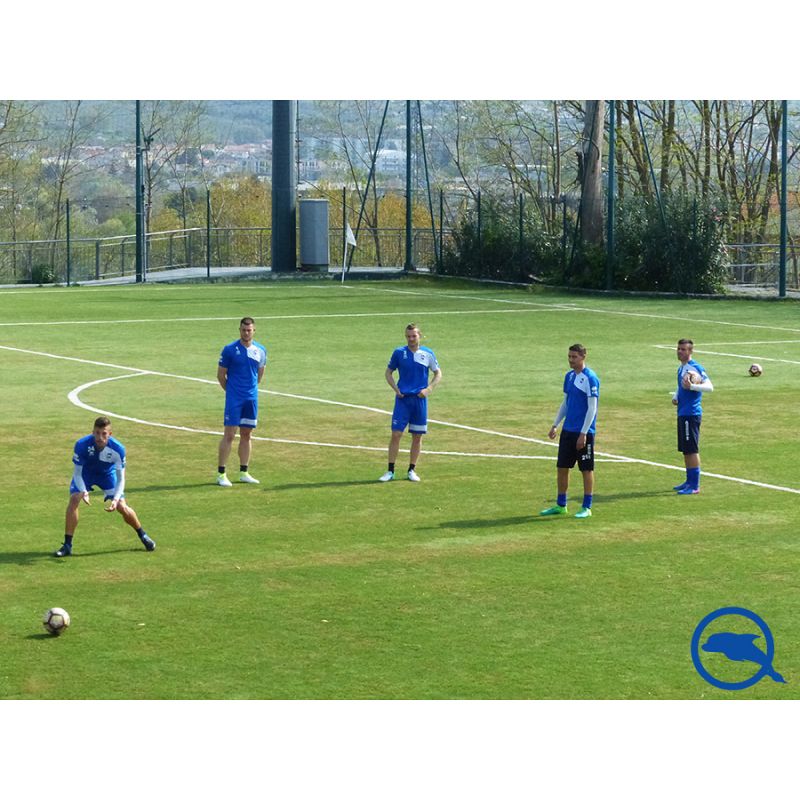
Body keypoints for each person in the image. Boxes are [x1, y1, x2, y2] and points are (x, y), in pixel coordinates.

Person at [53, 416, 155, 557]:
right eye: (97, 433)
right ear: (92, 432)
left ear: (110, 434)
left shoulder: (118, 449)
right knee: (74, 499)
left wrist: (116, 499)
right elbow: (77, 474)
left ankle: (143, 535)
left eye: (104, 433)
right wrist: (84, 491)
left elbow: (121, 479)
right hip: (86, 474)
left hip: (107, 475)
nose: (100, 437)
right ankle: (67, 545)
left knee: (122, 506)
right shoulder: (81, 445)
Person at [540, 344, 600, 519]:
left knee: (586, 469)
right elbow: (566, 402)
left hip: (584, 432)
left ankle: (587, 507)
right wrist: (555, 424)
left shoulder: (590, 378)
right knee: (562, 467)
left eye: (574, 357)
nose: (571, 360)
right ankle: (561, 505)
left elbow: (592, 408)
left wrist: (584, 433)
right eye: (569, 357)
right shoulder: (569, 376)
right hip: (568, 430)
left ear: (583, 357)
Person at [379, 323, 442, 482]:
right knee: (396, 434)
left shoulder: (427, 353)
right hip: (403, 400)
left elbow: (438, 373)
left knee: (417, 436)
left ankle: (411, 470)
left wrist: (428, 389)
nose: (411, 339)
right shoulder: (399, 353)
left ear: (419, 336)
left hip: (419, 400)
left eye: (414, 336)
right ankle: (390, 471)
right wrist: (396, 389)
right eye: (408, 336)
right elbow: (388, 372)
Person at [216, 316, 268, 486]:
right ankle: (221, 474)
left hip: (251, 398)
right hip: (234, 399)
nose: (246, 333)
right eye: (244, 330)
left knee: (247, 435)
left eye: (249, 330)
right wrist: (231, 392)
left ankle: (244, 472)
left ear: (254, 331)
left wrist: (249, 390)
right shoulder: (230, 350)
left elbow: (259, 374)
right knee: (229, 435)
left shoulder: (261, 350)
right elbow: (221, 375)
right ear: (239, 330)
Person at [672, 338, 713, 494]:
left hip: (691, 414)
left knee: (691, 449)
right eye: (678, 349)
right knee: (686, 450)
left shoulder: (695, 368)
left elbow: (709, 387)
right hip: (683, 412)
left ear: (691, 351)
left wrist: (693, 386)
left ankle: (694, 485)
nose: (680, 352)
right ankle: (689, 481)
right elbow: (680, 386)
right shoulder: (681, 368)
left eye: (683, 349)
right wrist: (676, 396)